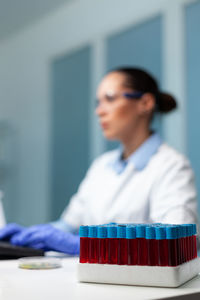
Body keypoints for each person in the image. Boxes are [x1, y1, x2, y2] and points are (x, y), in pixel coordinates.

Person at [0, 67, 198, 254]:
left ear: (145, 103)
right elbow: (70, 225)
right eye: (98, 102)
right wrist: (32, 234)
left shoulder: (171, 166)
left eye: (110, 99)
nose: (99, 111)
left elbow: (175, 246)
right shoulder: (102, 165)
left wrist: (82, 245)